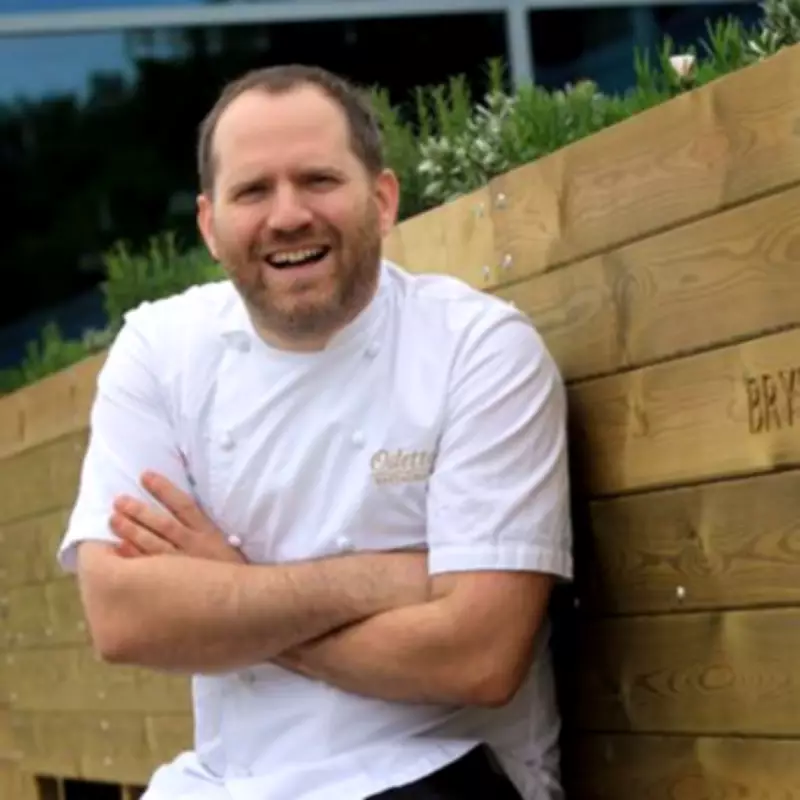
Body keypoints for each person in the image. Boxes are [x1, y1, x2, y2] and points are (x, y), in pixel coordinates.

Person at [56, 64, 573, 800]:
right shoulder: (160, 351)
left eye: (319, 180)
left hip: (441, 771)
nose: (288, 215)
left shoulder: (479, 350)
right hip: (229, 782)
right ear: (209, 225)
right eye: (252, 191)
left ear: (383, 200)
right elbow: (123, 618)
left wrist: (229, 592)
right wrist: (380, 580)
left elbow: (479, 657)